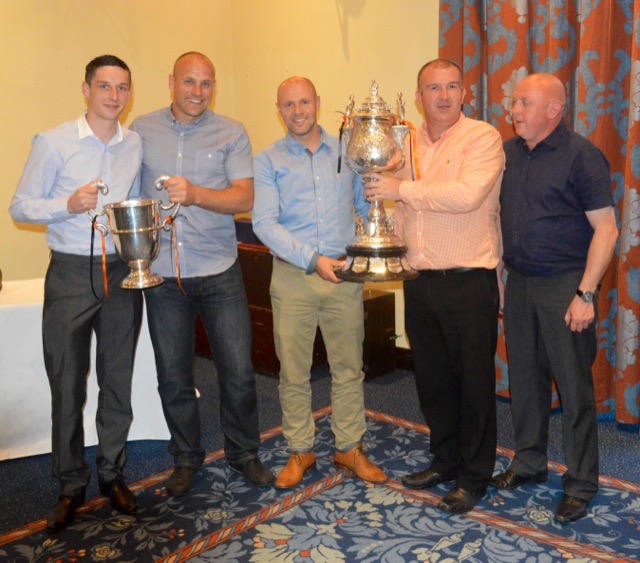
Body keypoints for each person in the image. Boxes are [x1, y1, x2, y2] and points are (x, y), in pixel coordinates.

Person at [363, 59, 505, 514]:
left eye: (451, 87)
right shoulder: (404, 144)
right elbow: (392, 203)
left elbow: (465, 196)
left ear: (464, 92)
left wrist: (401, 189)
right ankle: (444, 460)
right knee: (433, 381)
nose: (443, 96)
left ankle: (475, 475)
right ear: (419, 95)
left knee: (474, 384)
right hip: (419, 281)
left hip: (469, 282)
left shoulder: (483, 138)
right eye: (432, 88)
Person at [129, 52, 273, 495]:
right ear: (171, 81)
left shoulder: (231, 132)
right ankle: (185, 459)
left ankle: (244, 454)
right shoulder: (140, 131)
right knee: (173, 375)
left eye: (206, 83)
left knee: (237, 372)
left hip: (218, 270)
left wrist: (194, 195)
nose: (197, 92)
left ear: (215, 87)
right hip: (162, 273)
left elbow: (242, 198)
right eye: (189, 82)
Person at [9, 55, 143, 532]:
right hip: (69, 272)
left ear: (130, 93)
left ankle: (112, 473)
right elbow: (20, 207)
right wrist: (67, 204)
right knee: (67, 383)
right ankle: (70, 483)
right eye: (104, 86)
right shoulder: (54, 141)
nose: (113, 96)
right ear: (85, 89)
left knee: (118, 377)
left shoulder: (136, 144)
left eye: (122, 87)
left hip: (121, 270)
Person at [493, 73, 618, 523]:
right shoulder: (507, 153)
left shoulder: (581, 156)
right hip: (521, 281)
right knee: (525, 380)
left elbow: (607, 229)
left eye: (523, 102)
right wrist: (501, 276)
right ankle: (528, 462)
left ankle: (581, 483)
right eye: (513, 102)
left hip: (566, 285)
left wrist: (586, 293)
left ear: (553, 109)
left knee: (573, 388)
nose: (513, 109)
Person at [252, 76, 387, 488]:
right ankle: (301, 450)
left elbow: (366, 206)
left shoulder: (348, 151)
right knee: (294, 372)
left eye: (304, 102)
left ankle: (349, 447)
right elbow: (263, 223)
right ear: (279, 110)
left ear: (318, 103)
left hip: (345, 275)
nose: (297, 111)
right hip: (294, 277)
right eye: (288, 105)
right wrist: (314, 261)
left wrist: (370, 243)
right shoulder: (267, 160)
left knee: (348, 368)